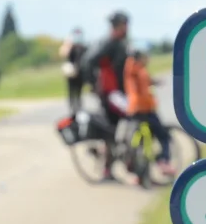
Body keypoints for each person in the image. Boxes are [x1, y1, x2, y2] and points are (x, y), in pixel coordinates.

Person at [83, 12, 131, 179]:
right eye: (124, 24)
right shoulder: (108, 43)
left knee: (115, 128)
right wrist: (92, 84)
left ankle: (112, 162)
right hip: (110, 93)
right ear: (118, 25)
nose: (127, 27)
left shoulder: (119, 42)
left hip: (118, 91)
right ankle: (107, 166)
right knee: (112, 129)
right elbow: (89, 61)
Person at [124, 48, 176, 177]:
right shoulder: (136, 69)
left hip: (135, 109)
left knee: (142, 141)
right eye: (145, 57)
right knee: (163, 136)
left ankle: (140, 174)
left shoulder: (132, 68)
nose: (147, 59)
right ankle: (163, 161)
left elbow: (144, 82)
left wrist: (154, 82)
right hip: (145, 108)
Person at [59, 28, 87, 114]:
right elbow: (63, 54)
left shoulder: (83, 47)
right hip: (71, 74)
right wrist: (67, 43)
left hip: (80, 73)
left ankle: (78, 107)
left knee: (79, 91)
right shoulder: (70, 47)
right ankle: (72, 108)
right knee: (71, 91)